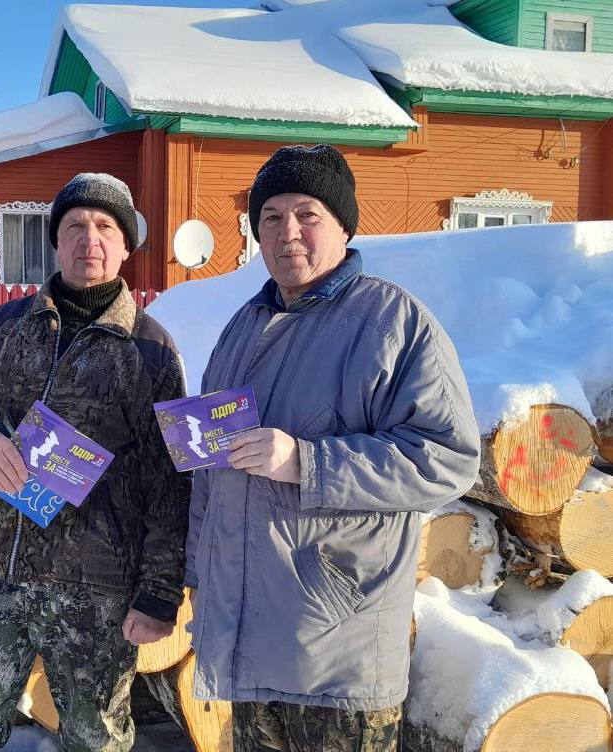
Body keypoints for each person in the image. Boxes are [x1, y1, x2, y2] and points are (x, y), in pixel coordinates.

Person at [184, 145, 481, 751]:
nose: (287, 232)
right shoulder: (242, 325)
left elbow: (448, 458)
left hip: (337, 649)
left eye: (307, 214)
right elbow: (210, 475)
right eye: (271, 217)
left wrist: (307, 462)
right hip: (247, 644)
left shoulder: (393, 323)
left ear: (344, 226)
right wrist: (197, 579)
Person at [0, 172, 190, 752]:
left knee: (97, 741)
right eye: (74, 226)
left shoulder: (151, 350)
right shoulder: (3, 328)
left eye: (105, 227)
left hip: (96, 595)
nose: (89, 239)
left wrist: (158, 592)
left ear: (125, 246)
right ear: (56, 242)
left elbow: (169, 485)